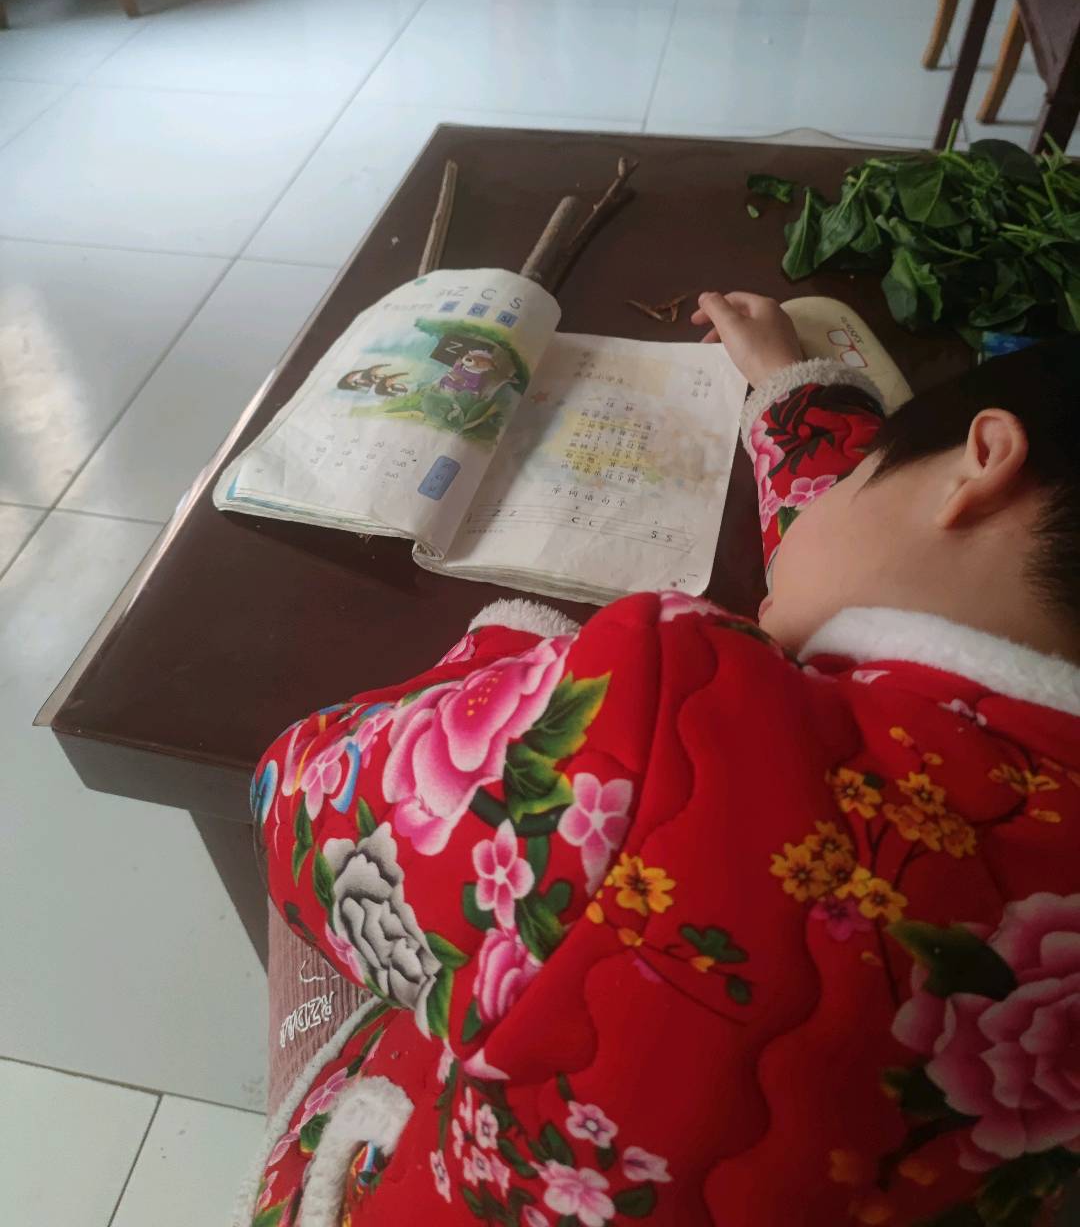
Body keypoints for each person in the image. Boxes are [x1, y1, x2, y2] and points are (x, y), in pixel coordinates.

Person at [237, 295, 1080, 1227]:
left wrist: (505, 664)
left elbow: (290, 797)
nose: (829, 506)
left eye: (863, 473)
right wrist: (796, 398)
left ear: (983, 459)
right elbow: (892, 566)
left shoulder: (650, 721)